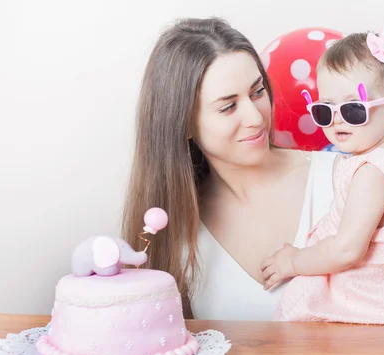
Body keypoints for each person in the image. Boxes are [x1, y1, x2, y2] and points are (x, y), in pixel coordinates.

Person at [121, 17, 337, 320]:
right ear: (182, 125)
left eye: (258, 92)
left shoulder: (343, 178)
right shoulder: (173, 228)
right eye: (228, 106)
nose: (255, 117)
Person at [259, 28, 384, 324]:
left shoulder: (372, 174)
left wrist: (293, 260)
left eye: (353, 109)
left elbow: (346, 249)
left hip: (370, 303)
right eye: (325, 110)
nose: (337, 118)